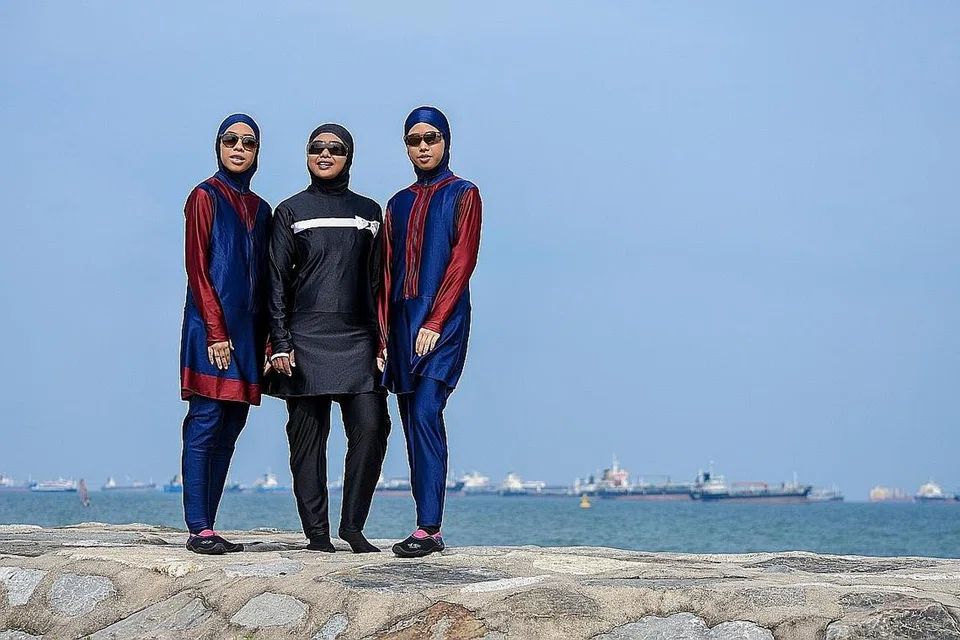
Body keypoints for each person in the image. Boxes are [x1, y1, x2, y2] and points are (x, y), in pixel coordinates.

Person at [267, 123, 390, 554]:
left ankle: (352, 527)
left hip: (359, 337)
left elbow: (379, 283)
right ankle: (317, 534)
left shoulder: (371, 212)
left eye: (334, 149)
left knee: (373, 427)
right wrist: (279, 341)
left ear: (349, 156)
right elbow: (277, 280)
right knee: (307, 438)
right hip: (303, 337)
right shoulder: (290, 211)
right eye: (315, 148)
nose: (324, 154)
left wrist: (383, 340)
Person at [379, 106, 482, 557]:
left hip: (445, 320)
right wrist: (383, 337)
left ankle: (430, 527)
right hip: (400, 322)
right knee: (407, 420)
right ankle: (423, 523)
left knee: (425, 412)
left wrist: (436, 322)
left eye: (431, 138)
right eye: (414, 139)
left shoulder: (464, 193)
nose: (423, 146)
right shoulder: (396, 203)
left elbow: (462, 262)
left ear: (446, 141)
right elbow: (385, 274)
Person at [179, 114, 271, 555]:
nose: (238, 148)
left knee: (231, 425)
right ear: (218, 146)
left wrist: (270, 340)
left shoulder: (261, 208)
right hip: (210, 328)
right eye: (230, 140)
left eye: (247, 142)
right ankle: (198, 526)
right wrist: (215, 332)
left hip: (249, 333)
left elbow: (268, 280)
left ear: (257, 152)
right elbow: (197, 268)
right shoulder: (204, 196)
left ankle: (210, 523)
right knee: (206, 421)